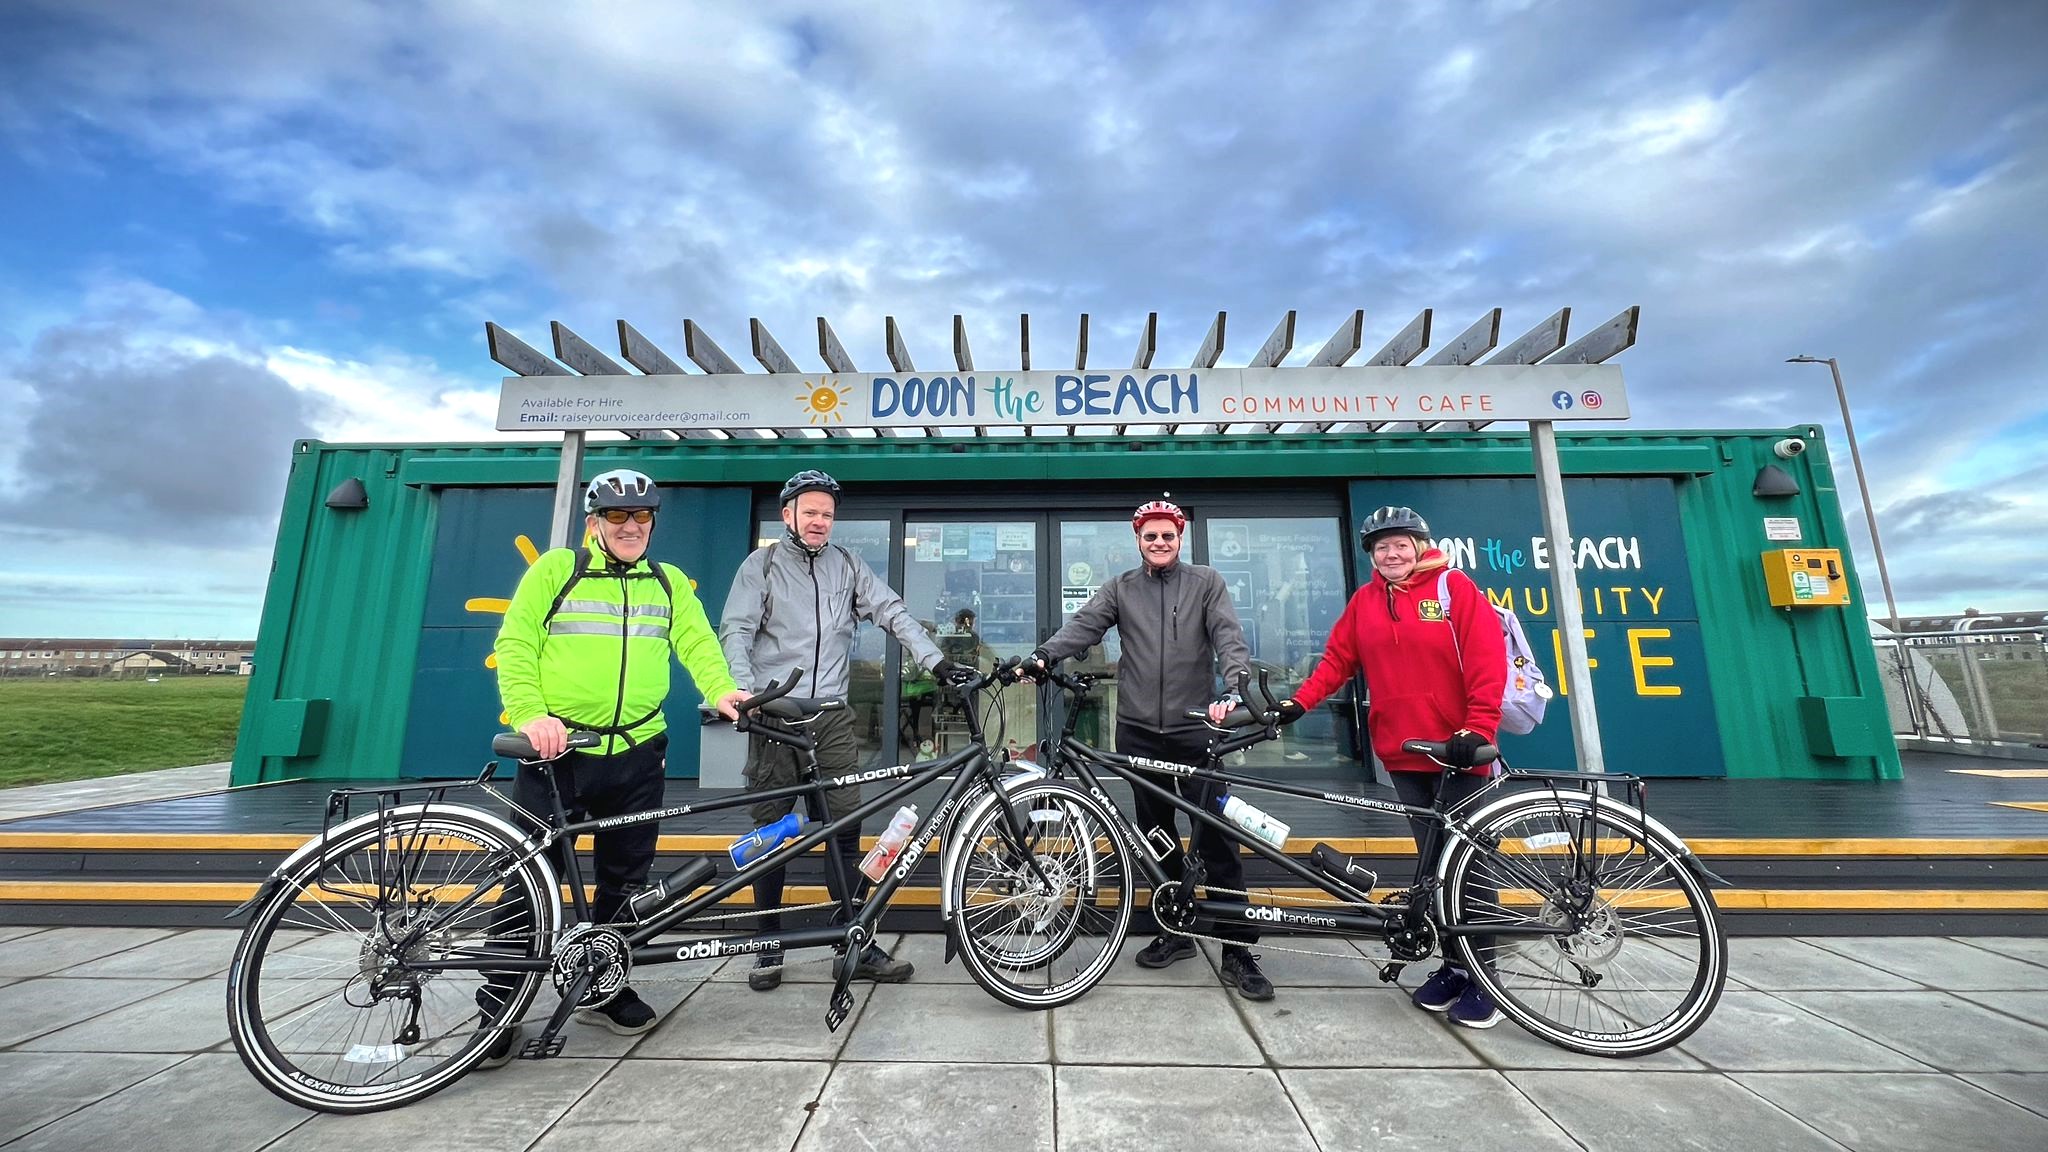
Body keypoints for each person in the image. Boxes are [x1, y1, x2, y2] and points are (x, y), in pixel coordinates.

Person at [482, 468, 749, 1062]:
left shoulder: (668, 581)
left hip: (638, 751)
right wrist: (530, 715)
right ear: (594, 523)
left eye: (642, 517)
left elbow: (698, 644)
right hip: (559, 753)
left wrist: (723, 690)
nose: (631, 527)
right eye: (617, 517)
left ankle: (604, 984)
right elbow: (517, 643)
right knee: (533, 880)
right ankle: (499, 1004)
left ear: (652, 523)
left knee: (626, 879)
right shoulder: (556, 571)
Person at [720, 468, 977, 991]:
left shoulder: (846, 565)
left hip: (832, 715)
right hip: (774, 714)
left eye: (827, 515)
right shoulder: (761, 564)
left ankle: (851, 942)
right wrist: (743, 693)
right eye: (810, 512)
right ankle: (768, 945)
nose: (819, 522)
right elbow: (737, 629)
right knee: (770, 829)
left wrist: (935, 662)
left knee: (845, 827)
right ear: (787, 514)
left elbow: (893, 611)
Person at [1018, 499, 1272, 1000]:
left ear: (1181, 539)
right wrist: (1044, 655)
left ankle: (1237, 946)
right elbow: (1085, 626)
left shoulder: (1206, 583)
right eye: (1150, 536)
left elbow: (1229, 638)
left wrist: (1234, 687)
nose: (1160, 543)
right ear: (1138, 540)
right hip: (1136, 730)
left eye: (1168, 536)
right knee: (1155, 836)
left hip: (1195, 730)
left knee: (1216, 835)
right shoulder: (1121, 588)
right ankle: (1177, 928)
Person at [1275, 505, 1507, 1028]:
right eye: (1381, 547)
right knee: (1432, 867)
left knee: (1468, 868)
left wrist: (1479, 728)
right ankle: (1454, 966)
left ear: (1421, 545)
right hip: (1405, 752)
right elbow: (1337, 661)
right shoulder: (1366, 601)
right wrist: (1298, 704)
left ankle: (1486, 979)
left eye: (1401, 543)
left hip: (1459, 751)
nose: (1391, 553)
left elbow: (1487, 658)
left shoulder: (1454, 589)